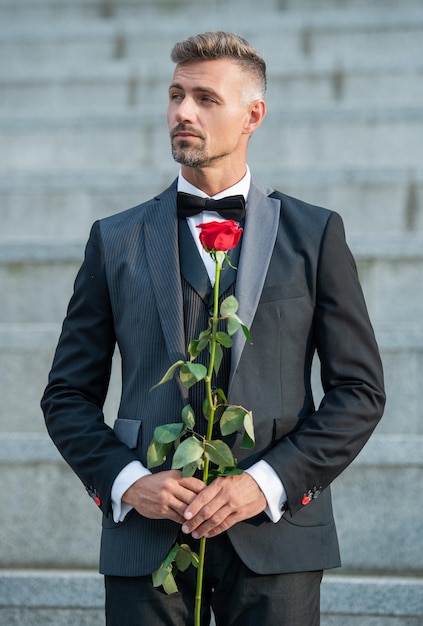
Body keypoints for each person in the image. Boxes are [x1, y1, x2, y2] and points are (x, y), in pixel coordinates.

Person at [41, 31, 385, 626]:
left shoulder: (316, 234)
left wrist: (264, 482)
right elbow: (67, 397)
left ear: (253, 115)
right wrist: (128, 483)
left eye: (205, 98)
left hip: (277, 540)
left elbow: (360, 393)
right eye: (176, 95)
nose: (183, 112)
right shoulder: (113, 240)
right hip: (147, 541)